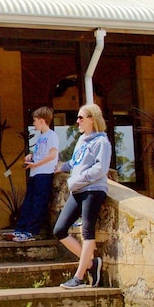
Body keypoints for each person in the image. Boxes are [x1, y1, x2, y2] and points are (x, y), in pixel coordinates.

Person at [53, 103, 112, 289]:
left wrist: (79, 179)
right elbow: (75, 161)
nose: (77, 121)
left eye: (81, 117)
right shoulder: (82, 140)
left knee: (87, 232)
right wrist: (61, 168)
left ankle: (78, 278)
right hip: (78, 190)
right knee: (59, 230)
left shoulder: (102, 142)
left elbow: (101, 168)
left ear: (92, 119)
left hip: (93, 190)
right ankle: (91, 264)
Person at [11, 106, 59, 242]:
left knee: (39, 203)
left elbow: (52, 155)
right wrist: (31, 157)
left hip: (44, 174)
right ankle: (20, 229)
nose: (33, 124)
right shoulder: (41, 137)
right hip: (35, 173)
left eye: (35, 121)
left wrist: (36, 164)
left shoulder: (52, 135)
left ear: (42, 121)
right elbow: (41, 153)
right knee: (29, 201)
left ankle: (30, 231)